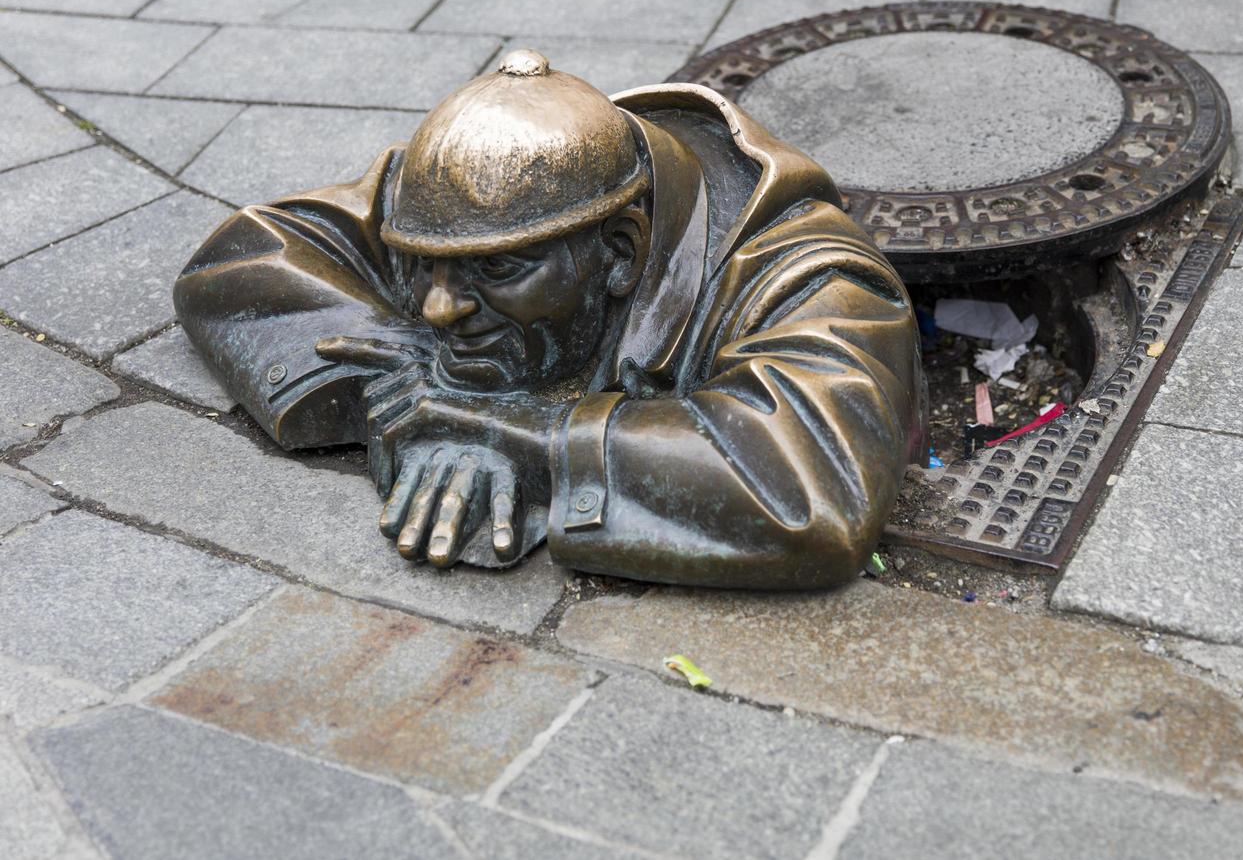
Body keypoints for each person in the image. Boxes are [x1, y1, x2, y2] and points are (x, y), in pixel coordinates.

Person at [175, 50, 925, 589]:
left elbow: (814, 490)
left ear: (621, 251)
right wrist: (402, 386)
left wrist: (526, 435)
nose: (439, 307)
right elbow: (241, 260)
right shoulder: (460, 207)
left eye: (497, 272)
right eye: (423, 266)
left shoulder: (809, 276)